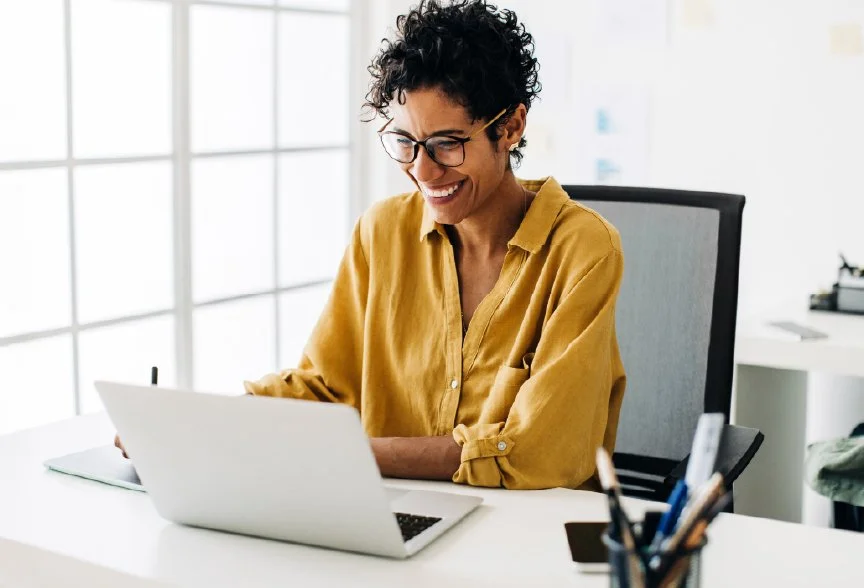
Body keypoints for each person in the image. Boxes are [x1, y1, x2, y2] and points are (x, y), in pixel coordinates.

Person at [119, 0, 626, 490]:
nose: (423, 172)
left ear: (510, 126)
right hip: (388, 513)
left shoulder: (583, 250)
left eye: (448, 143)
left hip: (523, 542)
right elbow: (326, 387)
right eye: (405, 142)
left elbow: (540, 450)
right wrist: (204, 426)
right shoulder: (380, 233)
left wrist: (345, 454)